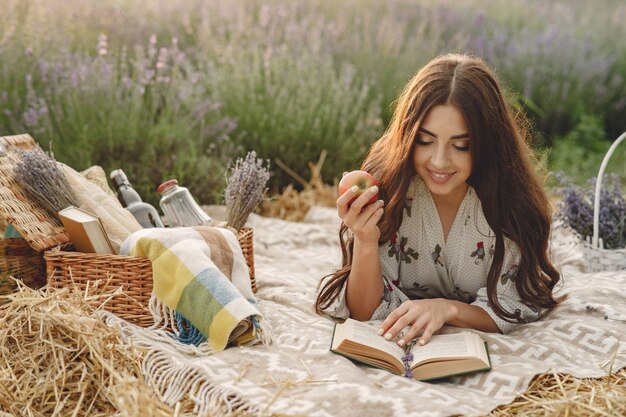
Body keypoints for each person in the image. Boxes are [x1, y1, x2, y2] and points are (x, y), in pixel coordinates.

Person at [315, 53, 562, 347]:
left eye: (461, 145)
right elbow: (365, 312)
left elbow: (513, 308)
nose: (440, 161)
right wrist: (365, 239)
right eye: (425, 141)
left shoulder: (509, 203)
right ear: (407, 136)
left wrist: (447, 309)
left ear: (488, 143)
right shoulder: (389, 192)